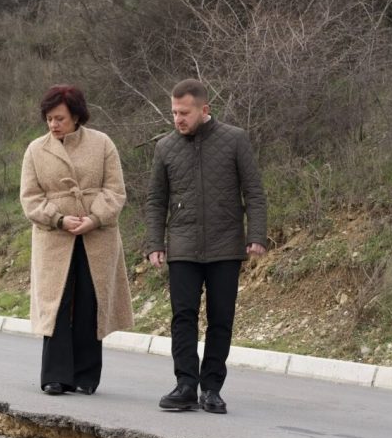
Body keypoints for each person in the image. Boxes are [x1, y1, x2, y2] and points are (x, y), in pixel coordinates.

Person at [144, 79, 267, 414]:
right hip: (182, 245)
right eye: (174, 112)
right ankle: (185, 385)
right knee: (182, 316)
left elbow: (253, 192)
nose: (178, 119)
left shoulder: (235, 139)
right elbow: (156, 200)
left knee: (220, 319)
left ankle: (211, 389)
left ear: (204, 109)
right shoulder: (165, 147)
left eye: (184, 113)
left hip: (226, 245)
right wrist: (155, 242)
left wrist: (256, 235)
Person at [20, 85, 134, 395]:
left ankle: (86, 376)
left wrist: (94, 219)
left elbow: (115, 191)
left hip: (97, 237)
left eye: (59, 118)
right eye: (49, 119)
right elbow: (30, 198)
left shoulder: (102, 144)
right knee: (57, 303)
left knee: (90, 300)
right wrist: (58, 218)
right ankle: (55, 376)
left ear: (76, 116)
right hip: (54, 237)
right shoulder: (35, 150)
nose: (53, 125)